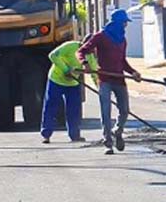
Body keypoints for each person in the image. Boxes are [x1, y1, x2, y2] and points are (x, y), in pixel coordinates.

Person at [77, 8, 141, 154]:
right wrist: (85, 63)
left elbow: (122, 61)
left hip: (119, 79)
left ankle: (117, 131)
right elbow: (81, 51)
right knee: (105, 111)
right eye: (124, 22)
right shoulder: (100, 36)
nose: (126, 25)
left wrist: (133, 72)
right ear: (118, 22)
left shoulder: (122, 40)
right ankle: (108, 143)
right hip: (104, 79)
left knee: (124, 110)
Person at [40, 40, 90, 144]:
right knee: (51, 106)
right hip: (56, 79)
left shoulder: (90, 55)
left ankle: (75, 135)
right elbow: (53, 56)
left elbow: (94, 73)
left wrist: (101, 87)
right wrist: (66, 70)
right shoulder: (70, 46)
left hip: (73, 83)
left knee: (74, 110)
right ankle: (46, 135)